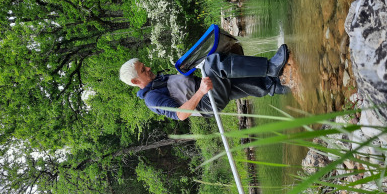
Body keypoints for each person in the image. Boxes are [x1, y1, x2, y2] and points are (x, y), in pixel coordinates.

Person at [120, 44, 291, 120]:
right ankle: (270, 68)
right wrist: (201, 91)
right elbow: (180, 115)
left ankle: (276, 85)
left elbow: (183, 85)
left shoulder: (157, 80)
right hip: (205, 104)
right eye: (143, 70)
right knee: (213, 64)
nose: (148, 68)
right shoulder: (152, 99)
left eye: (144, 66)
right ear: (136, 81)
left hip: (204, 91)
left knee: (230, 80)